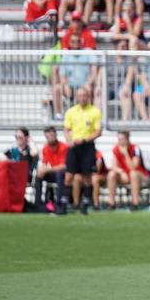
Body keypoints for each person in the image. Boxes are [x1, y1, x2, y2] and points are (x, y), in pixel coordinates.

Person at [64, 85, 102, 214]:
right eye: (79, 96)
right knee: (69, 176)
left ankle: (85, 203)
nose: (82, 98)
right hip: (74, 147)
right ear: (76, 97)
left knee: (87, 176)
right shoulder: (71, 111)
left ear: (88, 97)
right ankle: (64, 203)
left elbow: (98, 131)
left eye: (84, 96)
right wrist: (69, 140)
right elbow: (66, 129)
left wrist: (85, 139)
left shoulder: (94, 111)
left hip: (87, 146)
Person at [54, 35, 99, 119]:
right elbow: (62, 74)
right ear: (69, 43)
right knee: (57, 88)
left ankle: (89, 115)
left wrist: (89, 82)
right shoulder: (66, 55)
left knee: (89, 88)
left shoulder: (88, 52)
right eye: (73, 41)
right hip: (70, 85)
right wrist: (66, 84)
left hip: (85, 84)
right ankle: (59, 115)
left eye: (78, 41)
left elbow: (94, 68)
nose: (76, 43)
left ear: (81, 42)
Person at [106, 131, 148, 209]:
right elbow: (113, 166)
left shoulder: (135, 148)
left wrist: (126, 154)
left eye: (122, 139)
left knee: (133, 174)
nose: (120, 142)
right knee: (111, 174)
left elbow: (133, 167)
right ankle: (111, 203)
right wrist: (122, 172)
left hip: (140, 175)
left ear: (128, 139)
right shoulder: (116, 149)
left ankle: (135, 203)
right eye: (119, 139)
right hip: (125, 175)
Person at [35, 126, 69, 213]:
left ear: (56, 135)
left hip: (65, 174)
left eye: (52, 136)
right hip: (53, 172)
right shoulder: (45, 148)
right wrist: (41, 170)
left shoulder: (63, 147)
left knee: (59, 173)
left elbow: (64, 166)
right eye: (48, 137)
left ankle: (59, 202)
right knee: (38, 175)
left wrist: (47, 170)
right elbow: (44, 164)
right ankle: (37, 203)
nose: (50, 138)